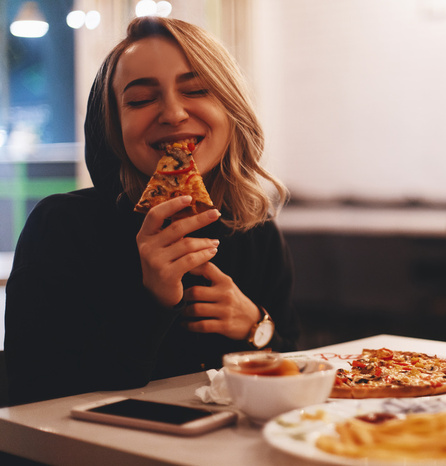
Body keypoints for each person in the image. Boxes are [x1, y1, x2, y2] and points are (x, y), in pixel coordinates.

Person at [4, 16, 299, 405]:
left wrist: (254, 325)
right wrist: (152, 300)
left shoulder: (255, 228)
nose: (174, 113)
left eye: (195, 89)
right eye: (141, 100)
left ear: (230, 108)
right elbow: (29, 395)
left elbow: (295, 368)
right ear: (113, 126)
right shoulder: (61, 227)